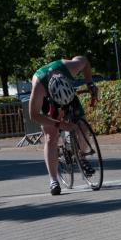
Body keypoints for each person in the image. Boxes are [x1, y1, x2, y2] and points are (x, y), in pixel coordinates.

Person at [28, 55, 98, 195]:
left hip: (69, 96)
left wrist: (90, 83)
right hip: (49, 101)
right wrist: (61, 125)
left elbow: (84, 60)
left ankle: (81, 157)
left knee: (82, 126)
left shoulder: (70, 67)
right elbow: (33, 115)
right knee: (51, 137)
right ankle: (53, 180)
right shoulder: (39, 87)